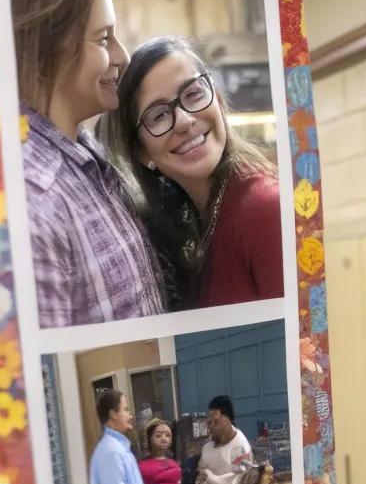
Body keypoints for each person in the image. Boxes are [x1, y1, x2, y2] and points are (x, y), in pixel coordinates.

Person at [11, 0, 164, 326]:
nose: (122, 56)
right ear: (51, 44)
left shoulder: (85, 151)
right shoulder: (34, 200)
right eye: (104, 39)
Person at [112, 38, 283, 310]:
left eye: (193, 94)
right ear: (141, 152)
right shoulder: (197, 226)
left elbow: (303, 344)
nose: (185, 120)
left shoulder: (264, 208)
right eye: (158, 115)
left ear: (219, 101)